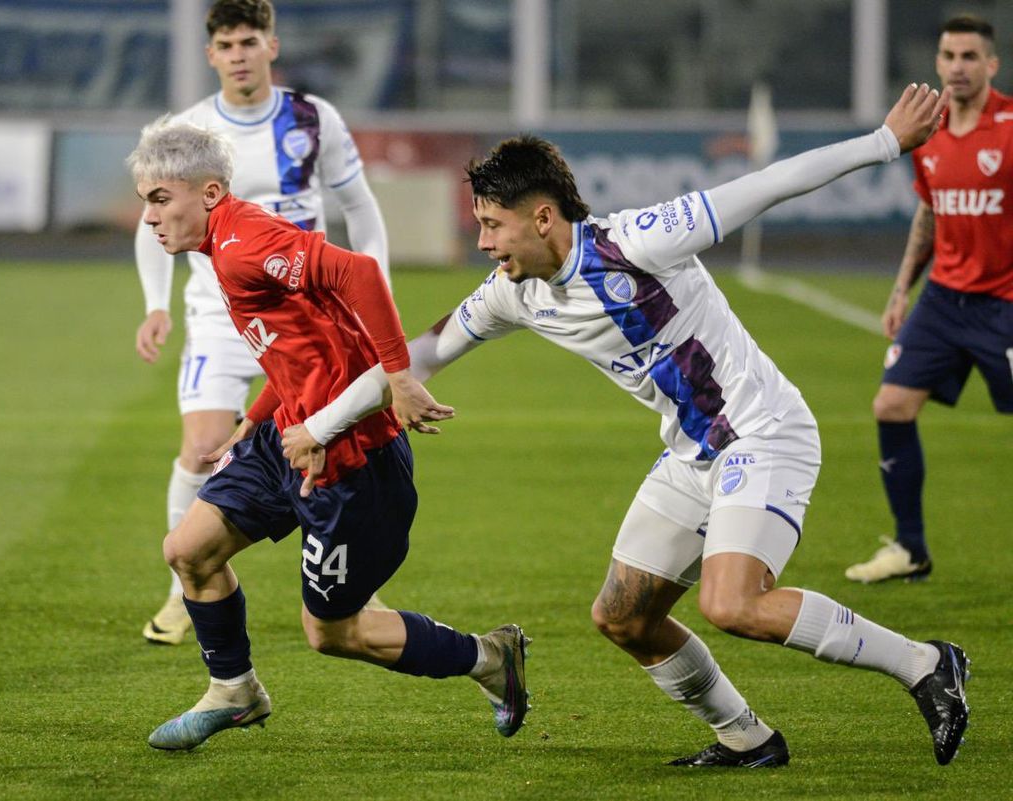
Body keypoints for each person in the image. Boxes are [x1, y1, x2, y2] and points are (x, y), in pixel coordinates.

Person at [281, 84, 971, 767]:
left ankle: (925, 661)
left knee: (731, 603)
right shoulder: (511, 295)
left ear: (543, 216)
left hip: (763, 433)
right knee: (622, 616)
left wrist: (884, 142)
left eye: (493, 224)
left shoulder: (643, 240)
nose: (482, 240)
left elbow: (767, 185)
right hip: (692, 452)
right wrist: (322, 424)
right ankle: (746, 737)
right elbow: (414, 360)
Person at [125, 118, 529, 751]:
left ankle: (489, 657)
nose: (148, 219)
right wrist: (252, 421)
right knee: (188, 551)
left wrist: (399, 377)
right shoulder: (224, 246)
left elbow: (360, 274)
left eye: (158, 199)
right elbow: (302, 344)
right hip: (287, 435)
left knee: (332, 633)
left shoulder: (244, 242)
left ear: (207, 194)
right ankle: (234, 691)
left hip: (350, 462)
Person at [134, 0, 391, 645]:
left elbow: (359, 206)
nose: (240, 54)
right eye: (228, 44)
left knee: (332, 443)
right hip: (220, 318)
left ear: (272, 45)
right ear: (211, 54)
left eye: (251, 41)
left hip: (306, 315)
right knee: (202, 451)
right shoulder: (187, 130)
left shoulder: (313, 118)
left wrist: (373, 293)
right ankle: (181, 592)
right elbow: (154, 223)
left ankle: (354, 575)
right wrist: (156, 304)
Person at [846, 15, 1013, 584]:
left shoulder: (1012, 127)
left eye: (970, 56)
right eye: (949, 56)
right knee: (890, 406)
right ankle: (911, 549)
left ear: (991, 64)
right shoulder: (929, 131)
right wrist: (901, 289)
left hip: (1006, 304)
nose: (958, 66)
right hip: (944, 300)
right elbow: (930, 211)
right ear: (938, 63)